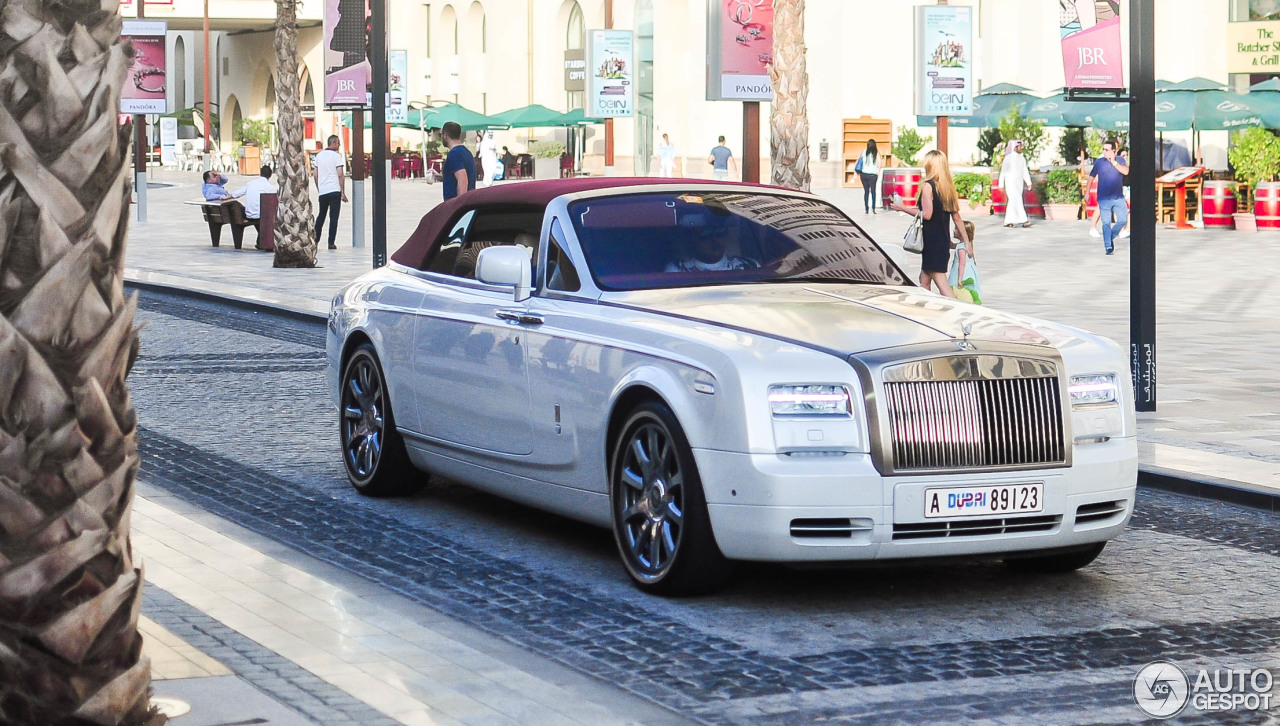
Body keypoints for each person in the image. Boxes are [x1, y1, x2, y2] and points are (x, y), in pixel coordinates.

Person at [891, 149, 971, 298]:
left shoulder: (928, 186)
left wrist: (902, 207)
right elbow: (957, 218)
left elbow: (927, 215)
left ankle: (956, 312)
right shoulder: (947, 188)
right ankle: (926, 310)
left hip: (932, 243)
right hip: (941, 241)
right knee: (924, 279)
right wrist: (967, 242)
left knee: (942, 286)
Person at [665, 217, 758, 272]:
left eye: (720, 232)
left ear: (727, 235)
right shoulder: (677, 270)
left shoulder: (750, 265)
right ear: (691, 239)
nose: (715, 240)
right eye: (706, 234)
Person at [1091, 138, 1129, 255]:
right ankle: (1108, 246)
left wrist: (1114, 162)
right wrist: (1087, 192)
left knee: (1123, 219)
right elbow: (1091, 176)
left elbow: (1126, 172)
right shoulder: (1099, 162)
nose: (1105, 152)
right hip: (1104, 198)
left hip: (1118, 197)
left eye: (1107, 150)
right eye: (1104, 149)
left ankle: (1110, 236)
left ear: (1114, 151)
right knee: (1106, 223)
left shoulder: (1121, 160)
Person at [312, 135, 347, 250]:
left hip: (323, 192)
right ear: (334, 143)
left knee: (321, 215)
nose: (339, 145)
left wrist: (319, 188)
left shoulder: (319, 156)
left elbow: (315, 175)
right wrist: (343, 192)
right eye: (338, 143)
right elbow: (340, 175)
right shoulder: (337, 157)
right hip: (334, 190)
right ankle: (331, 242)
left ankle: (315, 240)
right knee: (333, 217)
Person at [239, 165, 275, 250]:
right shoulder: (269, 187)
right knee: (269, 218)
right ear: (270, 175)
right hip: (259, 216)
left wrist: (228, 196)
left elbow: (238, 193)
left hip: (249, 214)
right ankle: (264, 242)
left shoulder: (250, 183)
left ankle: (260, 242)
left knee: (261, 221)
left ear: (260, 173)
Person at [999, 139, 1033, 228]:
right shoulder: (1008, 158)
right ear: (1015, 147)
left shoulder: (1022, 158)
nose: (1021, 148)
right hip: (1010, 183)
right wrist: (1001, 184)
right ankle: (1024, 220)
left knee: (1015, 200)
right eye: (1019, 146)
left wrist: (1028, 182)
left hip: (1019, 183)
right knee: (1015, 200)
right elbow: (1003, 172)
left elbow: (1024, 170)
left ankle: (1008, 221)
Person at [441, 121, 476, 201]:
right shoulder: (467, 152)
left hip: (454, 203)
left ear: (446, 136)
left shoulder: (454, 154)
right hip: (470, 201)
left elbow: (462, 179)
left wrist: (459, 206)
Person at [857, 139, 881, 214]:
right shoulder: (876, 153)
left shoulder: (863, 151)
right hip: (873, 175)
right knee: (873, 191)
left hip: (864, 174)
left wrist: (856, 172)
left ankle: (866, 209)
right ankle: (873, 209)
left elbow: (858, 161)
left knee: (866, 191)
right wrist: (878, 171)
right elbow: (880, 163)